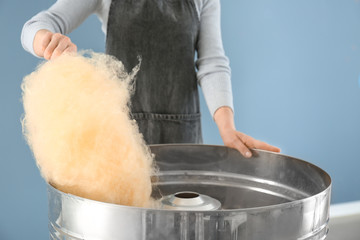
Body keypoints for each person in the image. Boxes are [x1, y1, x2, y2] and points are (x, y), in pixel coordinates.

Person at [21, 0, 280, 158]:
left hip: (183, 143)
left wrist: (227, 128)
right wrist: (44, 39)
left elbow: (212, 61)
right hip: (122, 140)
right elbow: (40, 23)